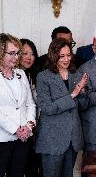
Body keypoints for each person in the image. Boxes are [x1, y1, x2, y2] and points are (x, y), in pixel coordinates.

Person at [35, 38, 88, 177]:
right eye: (62, 56)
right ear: (53, 56)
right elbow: (47, 108)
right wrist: (73, 94)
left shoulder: (75, 75)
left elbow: (82, 106)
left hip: (73, 139)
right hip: (53, 140)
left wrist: (82, 93)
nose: (66, 59)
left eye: (68, 55)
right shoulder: (43, 77)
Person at [0, 33, 36, 177]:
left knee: (18, 173)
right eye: (12, 53)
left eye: (17, 53)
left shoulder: (21, 74)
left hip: (23, 138)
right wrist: (16, 129)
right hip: (3, 138)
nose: (16, 57)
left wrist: (28, 125)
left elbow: (30, 104)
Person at [19, 38, 42, 177]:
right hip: (17, 131)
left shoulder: (37, 76)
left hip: (36, 130)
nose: (29, 57)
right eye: (25, 53)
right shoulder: (8, 75)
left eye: (32, 54)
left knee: (33, 168)